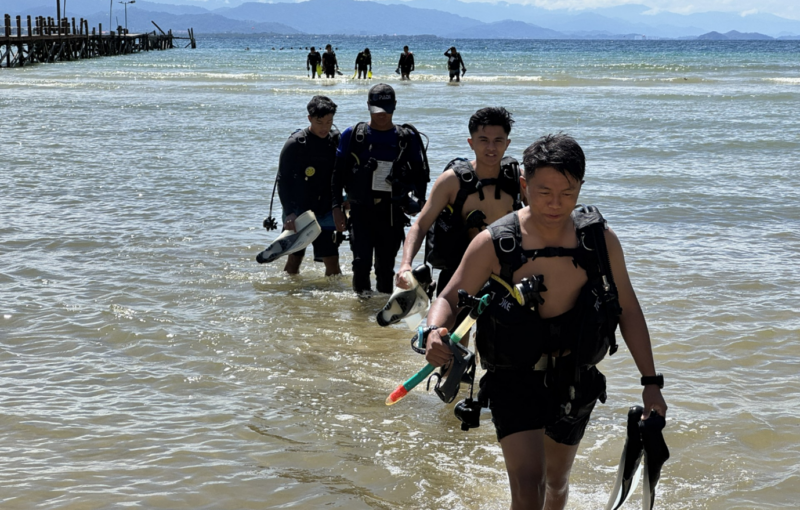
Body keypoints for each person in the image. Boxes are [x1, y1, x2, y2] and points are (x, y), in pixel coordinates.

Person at [423, 133, 668, 510]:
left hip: (574, 376)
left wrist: (651, 384)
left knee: (556, 483)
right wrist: (435, 331)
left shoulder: (599, 242)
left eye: (567, 194)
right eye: (543, 192)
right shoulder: (494, 243)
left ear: (581, 187)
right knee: (527, 484)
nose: (555, 204)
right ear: (524, 185)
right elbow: (448, 298)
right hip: (513, 376)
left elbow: (629, 310)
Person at [396, 107, 521, 302]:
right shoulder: (451, 182)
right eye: (483, 140)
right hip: (459, 271)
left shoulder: (516, 179)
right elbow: (421, 225)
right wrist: (405, 264)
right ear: (471, 143)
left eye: (498, 141)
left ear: (507, 143)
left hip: (504, 273)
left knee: (497, 332)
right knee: (452, 331)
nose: (491, 148)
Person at [331, 83, 430, 296]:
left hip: (392, 213)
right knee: (360, 264)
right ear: (368, 106)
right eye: (377, 109)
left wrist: (420, 203)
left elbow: (420, 174)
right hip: (360, 210)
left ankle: (381, 312)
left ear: (395, 106)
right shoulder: (352, 135)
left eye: (386, 109)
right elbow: (337, 175)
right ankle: (361, 314)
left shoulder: (407, 137)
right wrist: (336, 207)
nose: (382, 115)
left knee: (385, 268)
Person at [276, 96, 342, 276]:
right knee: (294, 259)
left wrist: (343, 204)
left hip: (326, 209)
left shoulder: (336, 141)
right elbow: (283, 180)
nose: (324, 127)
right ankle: (290, 298)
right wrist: (289, 211)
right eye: (319, 122)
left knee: (332, 262)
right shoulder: (296, 143)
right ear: (310, 119)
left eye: (329, 122)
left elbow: (343, 176)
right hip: (298, 210)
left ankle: (335, 300)